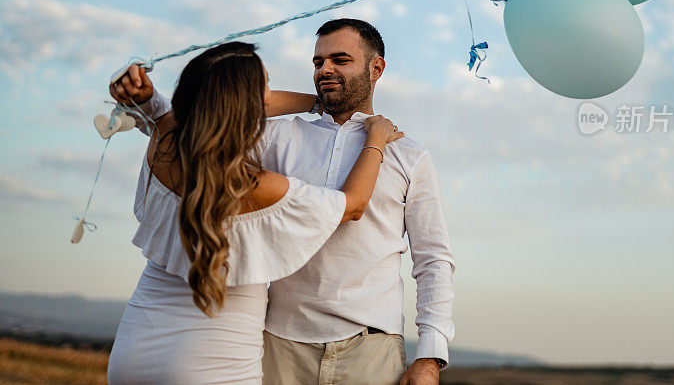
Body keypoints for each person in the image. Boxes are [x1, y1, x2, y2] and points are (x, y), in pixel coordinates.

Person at [121, 19, 455, 385]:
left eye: (339, 60)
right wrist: (149, 105)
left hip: (371, 349)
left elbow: (434, 259)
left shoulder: (410, 155)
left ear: (376, 68)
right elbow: (204, 126)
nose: (324, 69)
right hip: (277, 344)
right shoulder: (272, 138)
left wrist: (431, 355)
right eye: (317, 62)